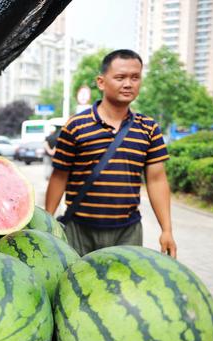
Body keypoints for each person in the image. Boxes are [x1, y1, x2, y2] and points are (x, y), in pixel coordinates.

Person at [45, 49, 177, 258]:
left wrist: (166, 230)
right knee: (76, 286)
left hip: (128, 231)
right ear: (101, 81)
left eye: (135, 77)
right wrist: (47, 226)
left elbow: (157, 180)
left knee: (123, 288)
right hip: (78, 230)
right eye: (120, 77)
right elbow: (59, 176)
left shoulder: (149, 128)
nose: (128, 84)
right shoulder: (76, 126)